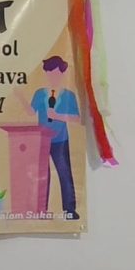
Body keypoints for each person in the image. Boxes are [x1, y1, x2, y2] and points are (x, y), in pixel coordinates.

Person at [26, 55, 81, 220]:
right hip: (42, 139)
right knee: (42, 175)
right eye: (49, 73)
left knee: (65, 173)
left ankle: (69, 210)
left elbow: (77, 118)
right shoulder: (39, 93)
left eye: (56, 73)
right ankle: (41, 210)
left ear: (62, 73)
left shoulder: (68, 95)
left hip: (60, 140)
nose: (53, 76)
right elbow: (31, 112)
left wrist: (57, 115)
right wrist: (20, 97)